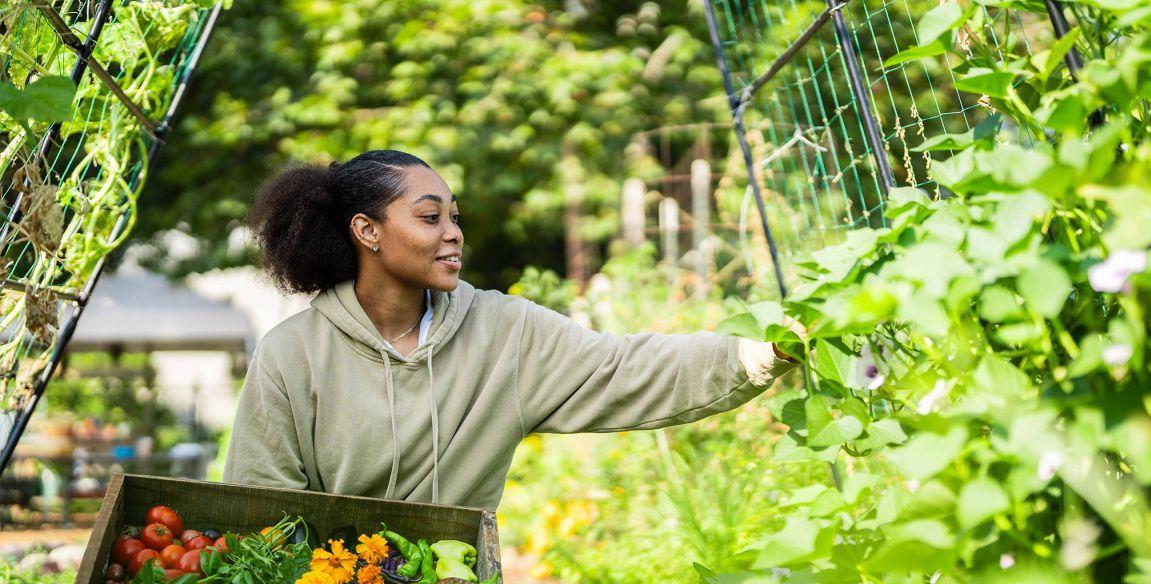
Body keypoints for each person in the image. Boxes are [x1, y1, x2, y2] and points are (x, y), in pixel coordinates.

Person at [223, 150, 800, 510]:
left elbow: (625, 367)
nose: (453, 233)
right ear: (367, 231)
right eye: (430, 217)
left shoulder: (504, 331)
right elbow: (260, 501)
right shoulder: (292, 354)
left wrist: (757, 354)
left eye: (455, 216)